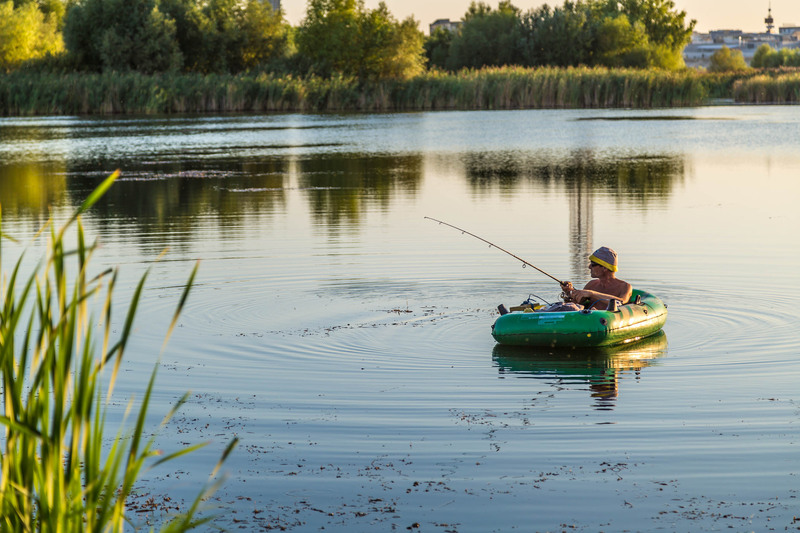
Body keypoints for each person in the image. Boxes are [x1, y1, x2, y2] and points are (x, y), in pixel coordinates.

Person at [561, 246, 632, 310]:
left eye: (593, 264)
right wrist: (568, 292)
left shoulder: (624, 286)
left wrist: (592, 294)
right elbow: (575, 305)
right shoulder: (591, 285)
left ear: (604, 268)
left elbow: (621, 302)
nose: (589, 267)